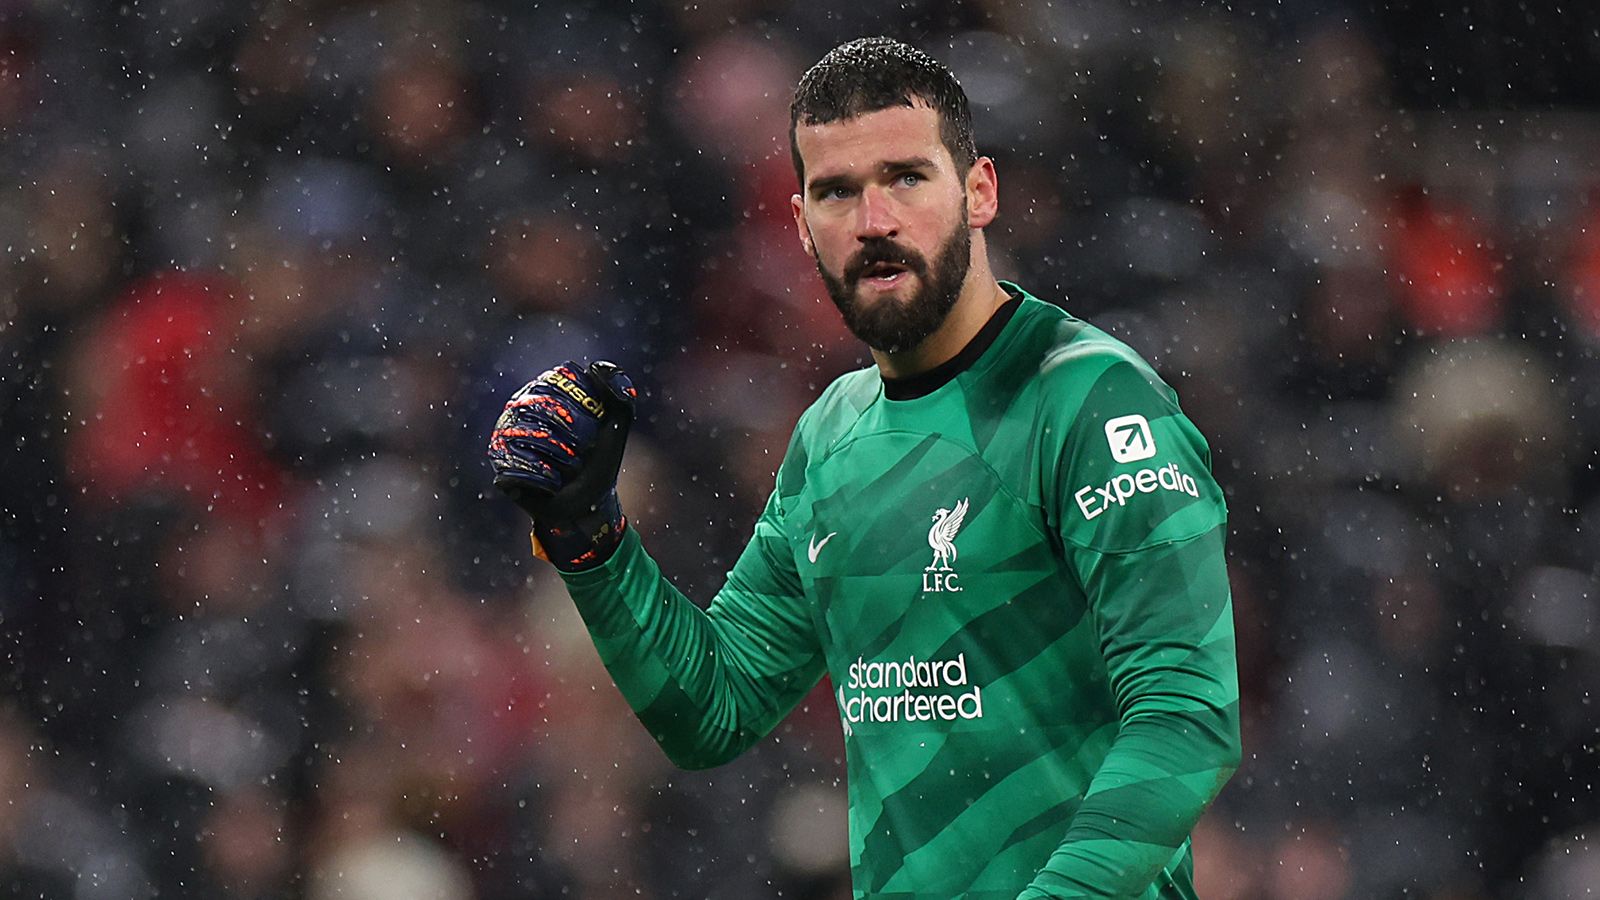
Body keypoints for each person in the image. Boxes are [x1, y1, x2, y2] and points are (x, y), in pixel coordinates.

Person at [487, 36, 1241, 900]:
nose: (874, 220)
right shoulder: (832, 434)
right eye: (837, 191)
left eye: (906, 178)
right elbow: (715, 710)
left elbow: (1188, 718)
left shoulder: (1092, 400)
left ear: (980, 191)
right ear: (801, 222)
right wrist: (590, 540)